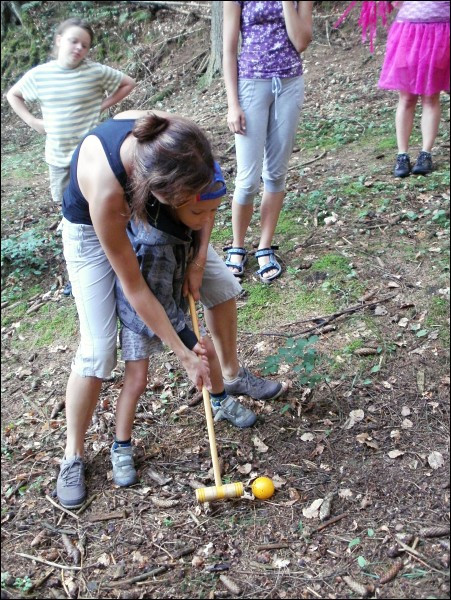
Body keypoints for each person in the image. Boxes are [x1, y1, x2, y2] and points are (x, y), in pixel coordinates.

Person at [57, 109, 285, 508]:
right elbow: (134, 286)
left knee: (222, 287)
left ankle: (230, 378)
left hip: (168, 208)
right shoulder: (109, 192)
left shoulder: (183, 146)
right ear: (157, 192)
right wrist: (183, 352)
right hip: (91, 232)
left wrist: (197, 261)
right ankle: (72, 455)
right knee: (98, 351)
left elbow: (206, 204)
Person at [112, 162, 258, 487]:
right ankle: (121, 446)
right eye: (200, 213)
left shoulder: (189, 213)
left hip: (172, 299)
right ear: (175, 201)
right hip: (142, 314)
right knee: (137, 379)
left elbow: (199, 222)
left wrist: (195, 263)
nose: (207, 219)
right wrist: (185, 344)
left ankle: (220, 400)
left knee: (206, 349)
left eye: (213, 212)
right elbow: (156, 303)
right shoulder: (155, 245)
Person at [5, 17, 136, 294]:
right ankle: (78, 271)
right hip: (59, 159)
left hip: (91, 157)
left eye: (85, 45)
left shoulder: (94, 72)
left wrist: (102, 105)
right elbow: (13, 95)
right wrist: (33, 122)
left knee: (105, 208)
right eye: (73, 41)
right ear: (59, 40)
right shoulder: (41, 75)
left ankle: (118, 261)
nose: (79, 48)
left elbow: (127, 83)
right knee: (71, 217)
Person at [223, 1, 313, 283]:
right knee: (247, 179)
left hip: (290, 85)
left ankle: (264, 246)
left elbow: (301, 42)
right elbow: (229, 49)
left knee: (275, 174)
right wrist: (232, 104)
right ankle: (237, 245)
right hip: (250, 85)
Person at [378, 1, 450, 177]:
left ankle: (426, 154)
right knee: (407, 97)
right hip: (408, 32)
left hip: (439, 34)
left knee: (430, 97)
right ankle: (402, 155)